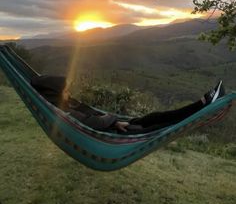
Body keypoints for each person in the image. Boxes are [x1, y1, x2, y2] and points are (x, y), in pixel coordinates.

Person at [30, 75, 225, 133]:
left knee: (154, 117)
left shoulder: (66, 102)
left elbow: (87, 111)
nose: (69, 92)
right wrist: (114, 122)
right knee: (158, 126)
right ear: (55, 93)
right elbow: (87, 121)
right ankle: (203, 107)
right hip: (113, 134)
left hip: (114, 125)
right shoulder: (59, 111)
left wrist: (113, 120)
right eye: (65, 89)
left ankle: (203, 102)